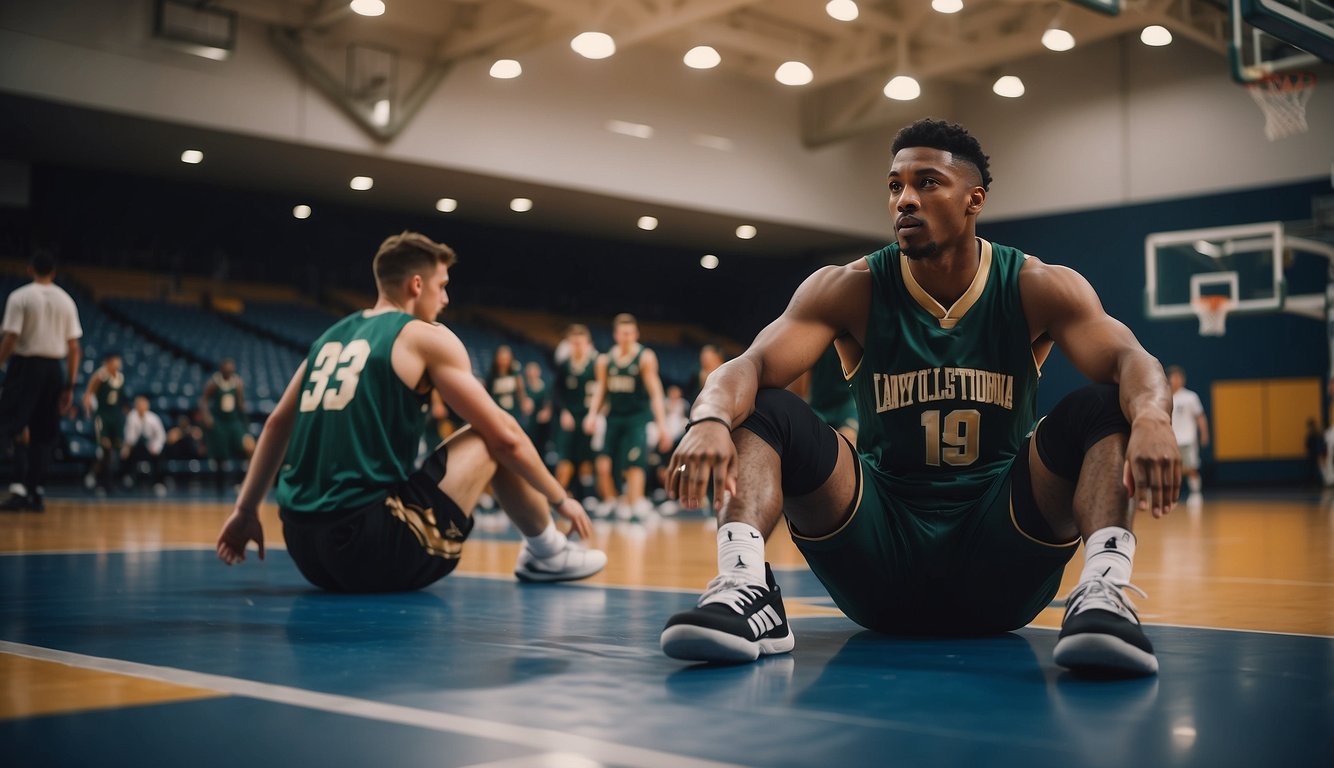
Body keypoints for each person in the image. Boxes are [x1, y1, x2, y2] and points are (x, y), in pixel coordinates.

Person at [659, 119, 1179, 677]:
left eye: (927, 183)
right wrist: (709, 417)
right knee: (763, 403)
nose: (905, 199)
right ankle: (744, 586)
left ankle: (1103, 592)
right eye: (895, 186)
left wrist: (1152, 416)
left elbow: (1130, 359)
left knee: (1105, 403)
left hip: (1002, 548)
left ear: (973, 199)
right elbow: (752, 363)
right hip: (880, 549)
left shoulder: (1035, 285)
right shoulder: (851, 287)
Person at [216, 231, 605, 591]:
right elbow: (504, 436)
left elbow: (276, 424)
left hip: (305, 550)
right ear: (416, 285)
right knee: (490, 436)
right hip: (371, 547)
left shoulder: (329, 338)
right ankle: (548, 551)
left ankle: (545, 552)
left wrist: (246, 510)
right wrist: (560, 498)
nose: (446, 299)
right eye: (442, 286)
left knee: (488, 436)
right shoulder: (423, 336)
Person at [0, 250, 83, 512]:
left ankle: (19, 488)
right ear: (54, 273)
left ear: (29, 269)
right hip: (54, 370)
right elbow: (74, 347)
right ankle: (36, 491)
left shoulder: (20, 296)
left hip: (26, 366)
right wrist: (69, 384)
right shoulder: (66, 300)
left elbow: (11, 338)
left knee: (11, 426)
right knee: (44, 434)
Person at [584, 313, 673, 521]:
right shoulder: (605, 360)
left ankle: (636, 503)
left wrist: (662, 425)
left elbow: (656, 393)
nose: (627, 337)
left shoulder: (645, 357)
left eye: (631, 333)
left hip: (637, 418)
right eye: (623, 333)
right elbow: (600, 390)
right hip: (613, 417)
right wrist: (591, 415)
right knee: (603, 464)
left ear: (636, 334)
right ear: (616, 335)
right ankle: (611, 501)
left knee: (634, 463)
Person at [551, 324, 599, 504]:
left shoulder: (595, 364)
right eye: (574, 343)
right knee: (565, 457)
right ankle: (558, 496)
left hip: (589, 418)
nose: (577, 346)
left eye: (581, 343)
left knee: (587, 459)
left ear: (587, 343)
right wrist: (563, 412)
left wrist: (596, 415)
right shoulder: (565, 365)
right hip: (570, 418)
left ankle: (587, 496)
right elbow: (556, 392)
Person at [201, 357, 253, 494]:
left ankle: (242, 483)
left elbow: (241, 403)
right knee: (220, 455)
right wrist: (207, 417)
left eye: (232, 367)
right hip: (219, 421)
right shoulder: (213, 383)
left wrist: (245, 420)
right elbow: (204, 401)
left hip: (233, 421)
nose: (230, 369)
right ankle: (220, 487)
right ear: (222, 368)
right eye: (227, 367)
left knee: (245, 449)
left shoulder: (237, 382)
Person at [82, 351, 126, 493]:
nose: (118, 363)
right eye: (115, 360)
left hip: (115, 416)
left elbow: (121, 399)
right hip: (102, 415)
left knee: (114, 449)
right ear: (108, 361)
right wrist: (88, 408)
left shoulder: (120, 378)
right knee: (105, 448)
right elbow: (89, 393)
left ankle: (103, 479)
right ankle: (101, 482)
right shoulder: (100, 375)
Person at [1167, 366, 1209, 504]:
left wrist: (1204, 434)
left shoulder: (1190, 397)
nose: (1176, 380)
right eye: (1174, 377)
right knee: (1173, 468)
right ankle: (1172, 494)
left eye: (1179, 377)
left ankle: (1195, 493)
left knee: (1191, 467)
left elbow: (1200, 417)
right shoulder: (1166, 397)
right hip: (1172, 439)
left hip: (1188, 439)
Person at [122, 394, 167, 494]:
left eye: (143, 404)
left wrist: (156, 447)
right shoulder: (131, 417)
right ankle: (129, 479)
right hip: (137, 446)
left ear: (147, 405)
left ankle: (158, 482)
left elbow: (161, 436)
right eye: (139, 404)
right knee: (126, 453)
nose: (141, 407)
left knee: (160, 455)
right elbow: (130, 437)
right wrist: (127, 448)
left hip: (151, 446)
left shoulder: (153, 418)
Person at [523, 360, 552, 458]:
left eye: (534, 371)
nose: (532, 374)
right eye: (530, 371)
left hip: (542, 427)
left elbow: (549, 405)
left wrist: (547, 411)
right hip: (528, 425)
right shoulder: (523, 389)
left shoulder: (546, 388)